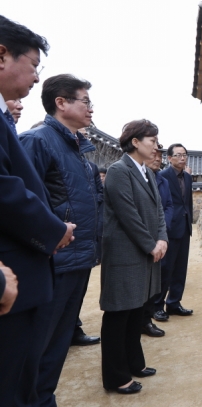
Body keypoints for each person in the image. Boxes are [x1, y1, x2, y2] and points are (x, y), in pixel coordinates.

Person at [0, 14, 76, 406]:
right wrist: (53, 229)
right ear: (2, 55)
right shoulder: (39, 138)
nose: (34, 77)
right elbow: (8, 188)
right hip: (17, 272)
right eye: (32, 65)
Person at [20, 73, 99, 405]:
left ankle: (44, 398)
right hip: (54, 261)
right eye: (85, 101)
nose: (91, 108)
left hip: (79, 259)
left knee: (59, 342)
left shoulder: (78, 147)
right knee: (36, 347)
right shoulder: (37, 141)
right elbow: (23, 202)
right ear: (61, 102)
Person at [99, 119, 167, 395]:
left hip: (145, 249)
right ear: (135, 142)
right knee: (119, 311)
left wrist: (162, 237)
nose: (156, 146)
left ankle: (134, 363)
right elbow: (128, 215)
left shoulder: (147, 172)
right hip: (126, 252)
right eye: (152, 140)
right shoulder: (118, 170)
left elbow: (159, 210)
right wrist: (151, 244)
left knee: (136, 308)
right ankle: (116, 376)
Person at [153, 143, 194, 321]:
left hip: (184, 227)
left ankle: (174, 303)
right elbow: (161, 205)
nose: (182, 158)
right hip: (169, 228)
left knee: (180, 268)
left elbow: (188, 202)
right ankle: (157, 306)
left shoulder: (188, 177)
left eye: (184, 154)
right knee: (165, 269)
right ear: (169, 159)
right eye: (178, 155)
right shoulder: (162, 176)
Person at [71, 160, 104, 347]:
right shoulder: (37, 144)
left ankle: (74, 329)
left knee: (78, 290)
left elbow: (99, 193)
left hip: (85, 234)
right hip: (61, 232)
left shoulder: (90, 166)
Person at [142, 144, 173, 337]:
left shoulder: (161, 180)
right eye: (154, 154)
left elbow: (167, 206)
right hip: (142, 237)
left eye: (160, 155)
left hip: (159, 235)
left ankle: (149, 315)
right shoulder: (130, 175)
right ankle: (142, 319)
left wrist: (163, 230)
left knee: (158, 277)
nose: (157, 158)